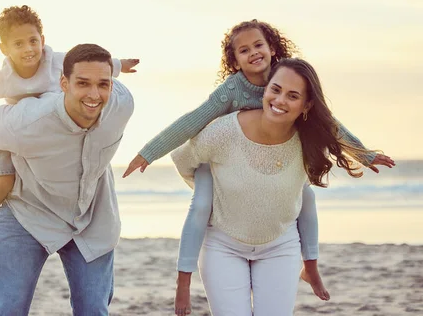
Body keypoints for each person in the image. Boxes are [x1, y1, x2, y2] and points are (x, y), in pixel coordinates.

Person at [122, 20, 394, 314]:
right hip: (221, 160)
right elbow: (193, 121)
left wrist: (364, 155)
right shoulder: (231, 91)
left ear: (272, 48)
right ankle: (183, 281)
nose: (253, 53)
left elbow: (330, 125)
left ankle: (310, 266)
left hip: (273, 180)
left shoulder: (288, 77)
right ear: (234, 61)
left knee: (307, 196)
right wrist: (148, 153)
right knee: (201, 204)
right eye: (244, 50)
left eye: (258, 45)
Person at [171, 58, 384, 315]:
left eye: (293, 96)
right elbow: (183, 159)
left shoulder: (309, 140)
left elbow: (333, 141)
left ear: (306, 106)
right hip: (223, 244)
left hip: (280, 246)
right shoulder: (224, 132)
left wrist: (365, 154)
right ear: (265, 90)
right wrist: (208, 189)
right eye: (276, 89)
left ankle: (311, 269)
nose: (280, 100)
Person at [0, 5, 139, 231]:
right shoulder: (2, 79)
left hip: (56, 132)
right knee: (4, 179)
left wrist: (120, 65)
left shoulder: (57, 62)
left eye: (33, 41)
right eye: (18, 44)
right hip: (19, 134)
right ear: (4, 48)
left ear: (42, 40)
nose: (29, 49)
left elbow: (93, 65)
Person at [0, 44, 134, 315]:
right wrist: (11, 151)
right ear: (64, 83)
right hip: (29, 211)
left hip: (92, 218)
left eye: (103, 84)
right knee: (8, 310)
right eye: (83, 83)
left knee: (94, 310)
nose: (94, 95)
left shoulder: (122, 105)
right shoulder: (27, 122)